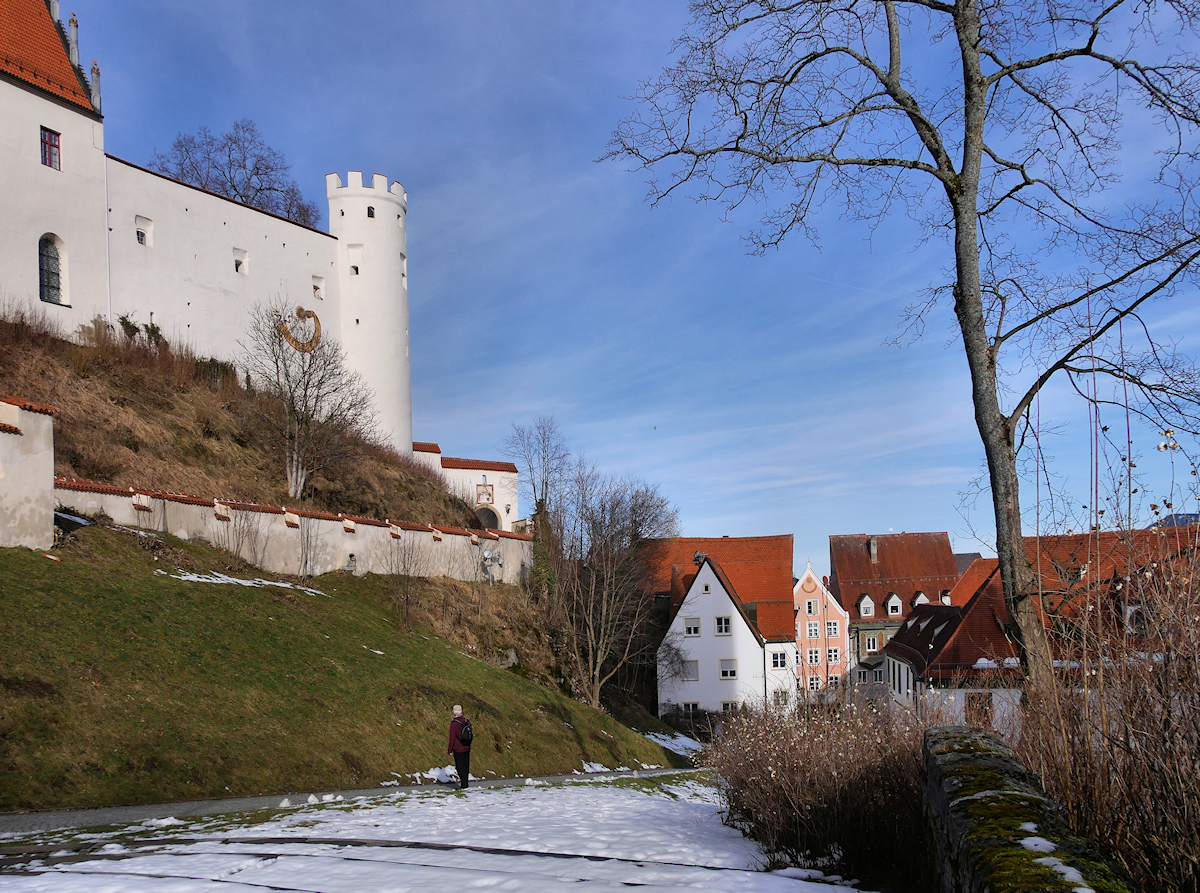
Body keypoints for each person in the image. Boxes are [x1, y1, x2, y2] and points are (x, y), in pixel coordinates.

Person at [447, 704, 471, 789]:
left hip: (458, 748)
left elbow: (452, 737)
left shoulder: (454, 724)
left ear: (454, 712)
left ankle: (463, 785)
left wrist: (450, 749)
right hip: (467, 747)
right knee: (466, 765)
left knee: (459, 766)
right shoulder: (466, 721)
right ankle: (466, 783)